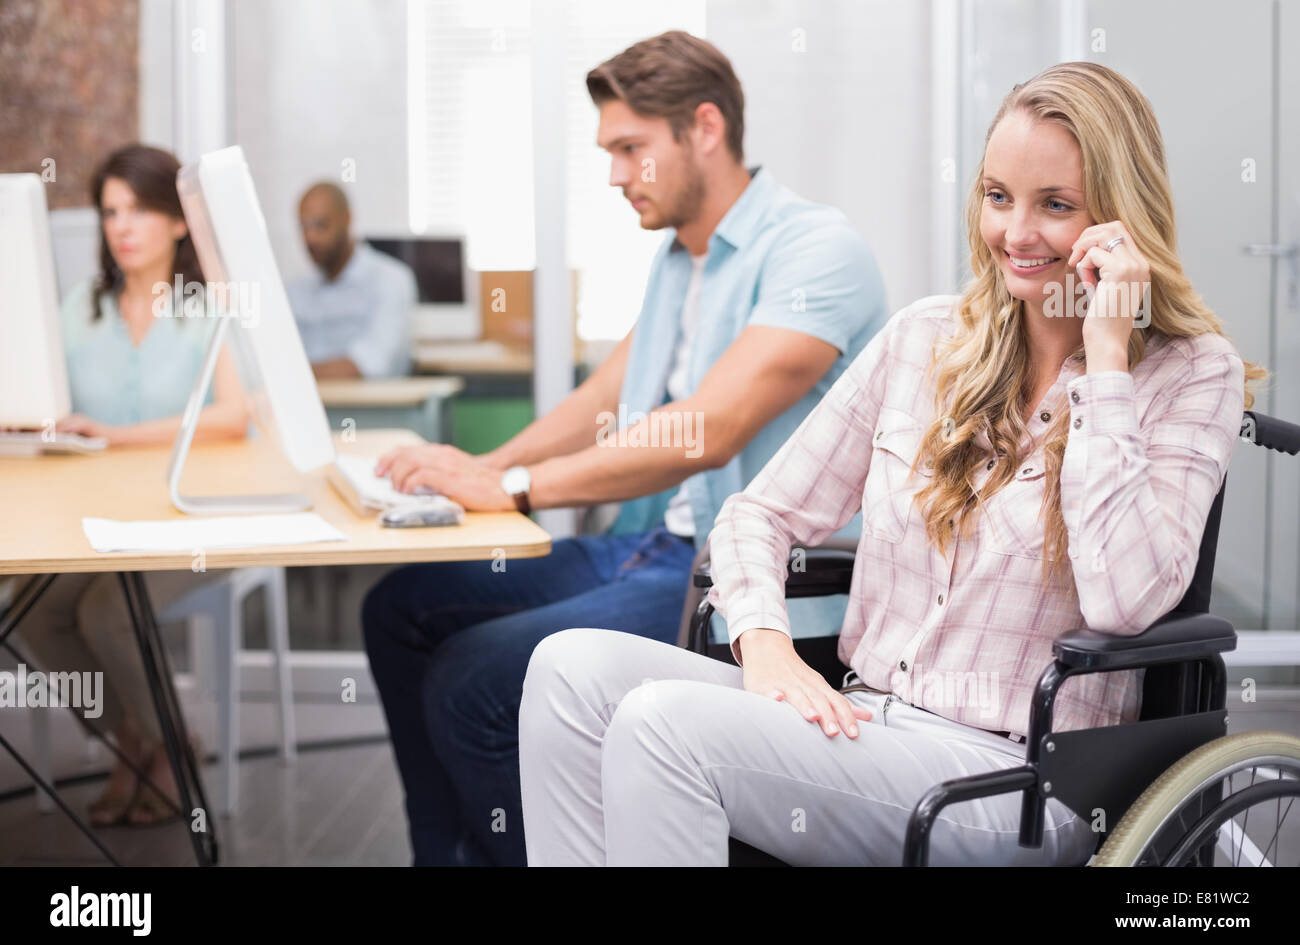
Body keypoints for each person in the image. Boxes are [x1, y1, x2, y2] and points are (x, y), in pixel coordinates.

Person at [518, 61, 1269, 866]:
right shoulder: (926, 339)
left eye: (1055, 206)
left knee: (662, 726)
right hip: (866, 724)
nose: (1015, 233)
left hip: (1020, 779)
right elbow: (758, 514)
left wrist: (1108, 357)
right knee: (569, 669)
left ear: (1122, 220)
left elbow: (1126, 603)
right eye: (997, 197)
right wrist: (765, 646)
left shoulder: (1192, 373)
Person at [362, 30, 887, 865]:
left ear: (704, 128)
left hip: (742, 580)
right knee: (399, 608)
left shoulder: (818, 253)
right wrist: (482, 472)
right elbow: (603, 397)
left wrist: (521, 486)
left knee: (473, 681)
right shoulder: (679, 260)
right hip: (650, 550)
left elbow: (706, 432)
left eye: (629, 149)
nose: (612, 174)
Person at [12, 143, 250, 827]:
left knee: (108, 613)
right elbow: (42, 396)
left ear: (179, 221)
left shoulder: (213, 305)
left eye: (140, 209)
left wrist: (117, 435)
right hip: (102, 520)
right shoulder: (80, 309)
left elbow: (233, 419)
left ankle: (168, 756)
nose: (122, 226)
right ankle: (135, 741)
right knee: (33, 609)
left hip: (205, 516)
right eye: (109, 211)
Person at [285, 182, 416, 379]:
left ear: (347, 219)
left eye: (321, 225)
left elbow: (371, 363)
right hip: (306, 403)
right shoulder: (296, 290)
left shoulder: (390, 280)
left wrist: (291, 374)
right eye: (304, 227)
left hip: (371, 407)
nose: (310, 237)